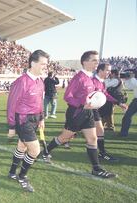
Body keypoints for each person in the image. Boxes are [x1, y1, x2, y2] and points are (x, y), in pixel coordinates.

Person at [42, 51, 117, 178]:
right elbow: (67, 96)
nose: (96, 63)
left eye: (97, 61)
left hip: (88, 113)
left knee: (92, 139)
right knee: (64, 137)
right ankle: (45, 152)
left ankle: (96, 169)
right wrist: (82, 104)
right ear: (85, 62)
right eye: (94, 60)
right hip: (76, 113)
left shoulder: (90, 78)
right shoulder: (79, 78)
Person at [7, 50, 48, 192]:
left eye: (46, 64)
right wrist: (12, 126)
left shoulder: (40, 81)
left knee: (22, 147)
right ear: (33, 63)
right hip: (23, 120)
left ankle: (12, 172)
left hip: (35, 120)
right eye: (43, 64)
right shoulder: (21, 82)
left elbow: (40, 102)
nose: (45, 67)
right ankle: (22, 176)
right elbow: (11, 105)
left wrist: (41, 118)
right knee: (35, 150)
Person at [92, 63, 127, 161]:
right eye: (107, 70)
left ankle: (102, 153)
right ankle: (47, 150)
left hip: (94, 110)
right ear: (100, 70)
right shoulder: (92, 81)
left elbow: (106, 94)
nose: (109, 72)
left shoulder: (102, 82)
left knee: (99, 131)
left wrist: (118, 103)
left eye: (110, 71)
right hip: (84, 110)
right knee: (68, 133)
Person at [120, 71, 137, 137]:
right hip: (135, 100)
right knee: (127, 116)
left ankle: (123, 133)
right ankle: (123, 133)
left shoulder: (134, 80)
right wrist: (128, 79)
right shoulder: (134, 80)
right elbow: (130, 87)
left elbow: (133, 85)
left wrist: (130, 77)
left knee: (127, 116)